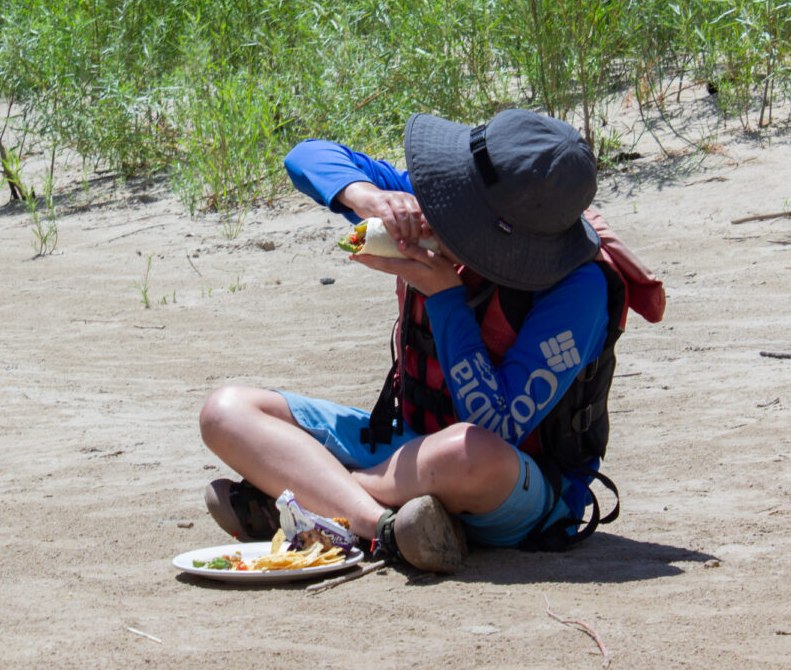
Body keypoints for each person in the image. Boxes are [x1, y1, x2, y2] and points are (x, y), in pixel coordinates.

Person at [199, 108, 616, 573]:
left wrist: (445, 298)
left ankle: (309, 497)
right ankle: (384, 526)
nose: (444, 218)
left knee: (466, 452)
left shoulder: (578, 289)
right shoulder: (436, 201)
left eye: (462, 218)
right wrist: (369, 198)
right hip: (407, 448)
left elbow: (498, 429)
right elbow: (305, 157)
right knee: (226, 412)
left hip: (512, 482)